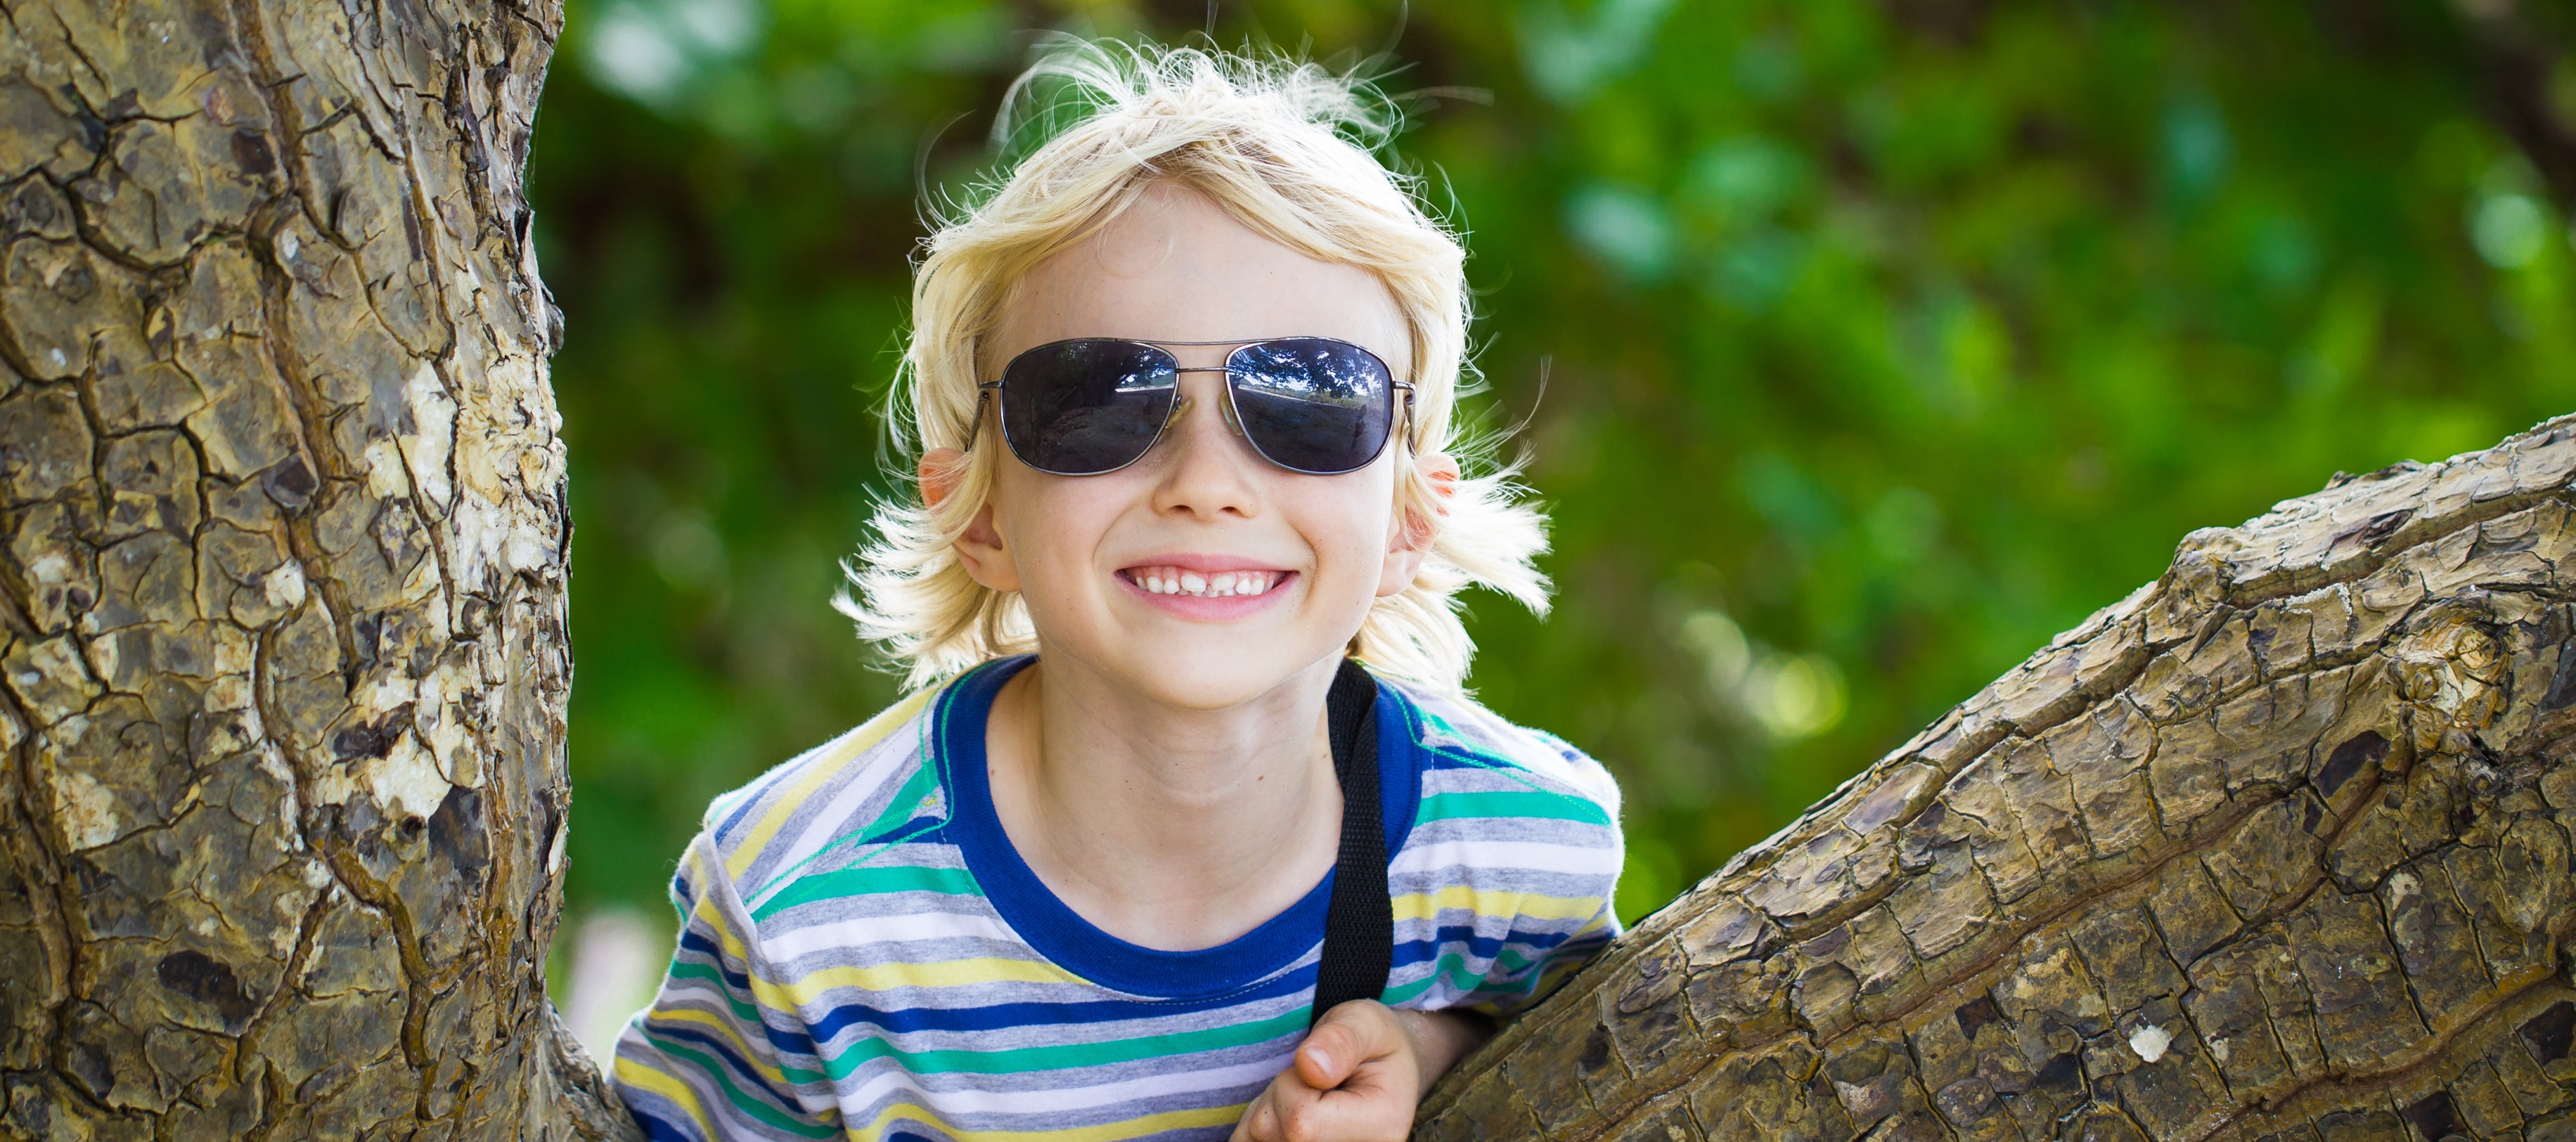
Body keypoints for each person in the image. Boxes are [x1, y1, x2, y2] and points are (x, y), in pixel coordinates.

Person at [610, 39, 1625, 1142]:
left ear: (1408, 523)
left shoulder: (1523, 855)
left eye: (1308, 401)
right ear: (982, 514)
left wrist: (1437, 1050)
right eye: (1098, 399)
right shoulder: (804, 909)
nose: (1205, 485)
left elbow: (1619, 1066)